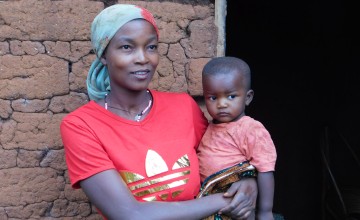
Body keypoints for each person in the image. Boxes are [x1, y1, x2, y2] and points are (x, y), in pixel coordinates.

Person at [60, 4, 258, 220]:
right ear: (104, 55)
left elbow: (223, 158)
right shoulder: (81, 126)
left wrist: (247, 182)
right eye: (127, 47)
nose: (143, 58)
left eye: (151, 47)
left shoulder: (183, 107)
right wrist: (226, 200)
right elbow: (129, 214)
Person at [197, 57, 277, 220]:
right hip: (210, 201)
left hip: (238, 204)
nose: (222, 104)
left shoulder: (251, 129)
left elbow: (265, 170)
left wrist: (265, 212)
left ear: (248, 97)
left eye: (231, 96)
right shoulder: (209, 126)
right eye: (213, 98)